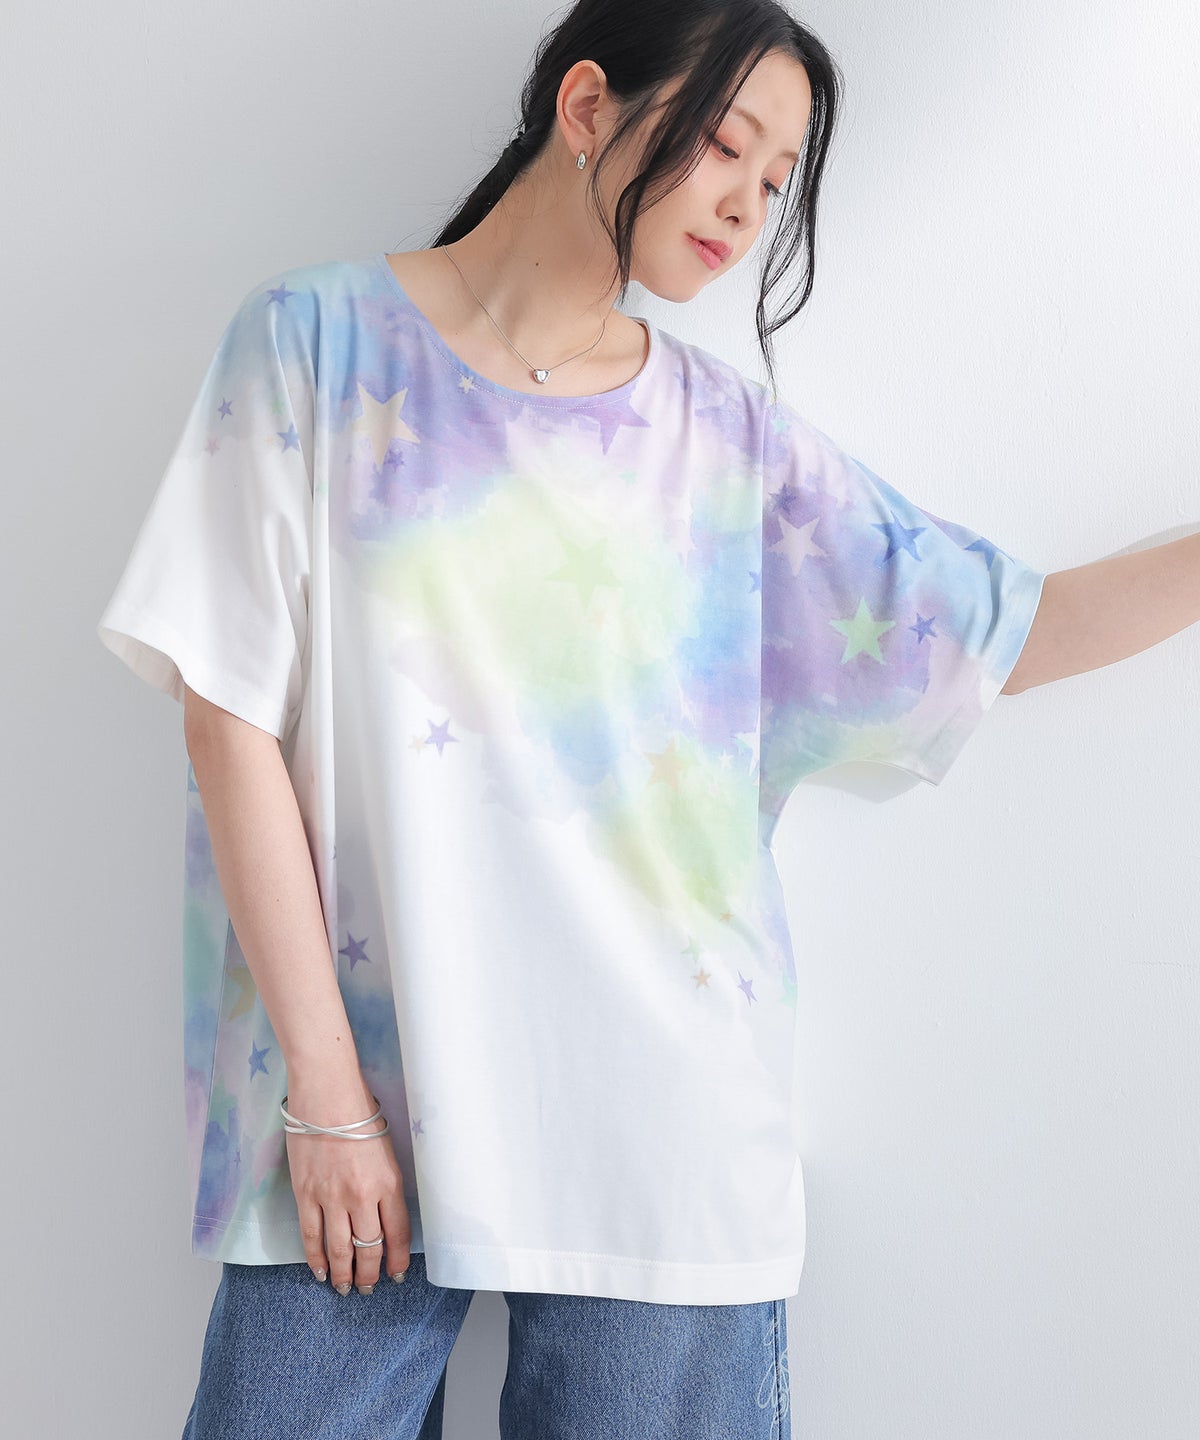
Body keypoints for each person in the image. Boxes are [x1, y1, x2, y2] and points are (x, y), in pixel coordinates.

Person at [95, 1, 1199, 1437]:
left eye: (778, 179)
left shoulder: (730, 446)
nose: (748, 203)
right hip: (357, 1120)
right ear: (587, 106)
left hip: (662, 1150)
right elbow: (227, 714)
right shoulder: (314, 346)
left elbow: (998, 627)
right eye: (727, 144)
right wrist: (327, 1098)